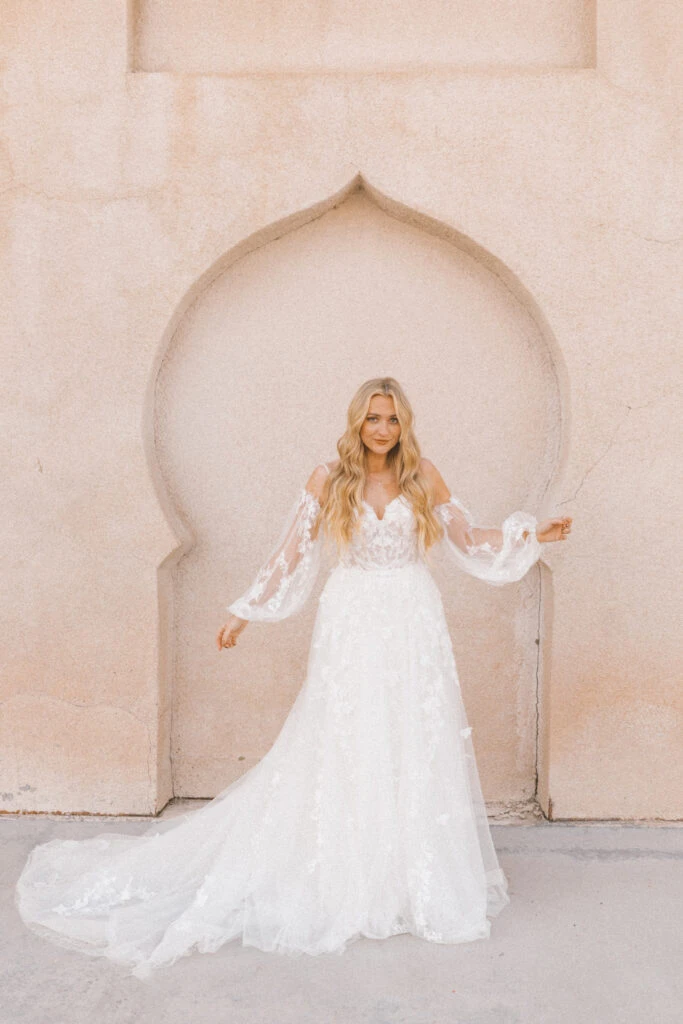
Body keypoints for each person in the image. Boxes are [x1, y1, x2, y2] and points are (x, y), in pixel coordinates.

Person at [15, 377, 572, 980]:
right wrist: (244, 611)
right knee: (344, 739)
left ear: (404, 424)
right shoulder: (328, 479)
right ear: (356, 422)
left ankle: (408, 879)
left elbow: (469, 538)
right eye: (372, 418)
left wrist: (529, 533)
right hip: (353, 619)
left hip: (412, 619)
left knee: (411, 737)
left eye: (392, 420)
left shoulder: (423, 475)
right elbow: (291, 553)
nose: (382, 429)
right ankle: (341, 872)